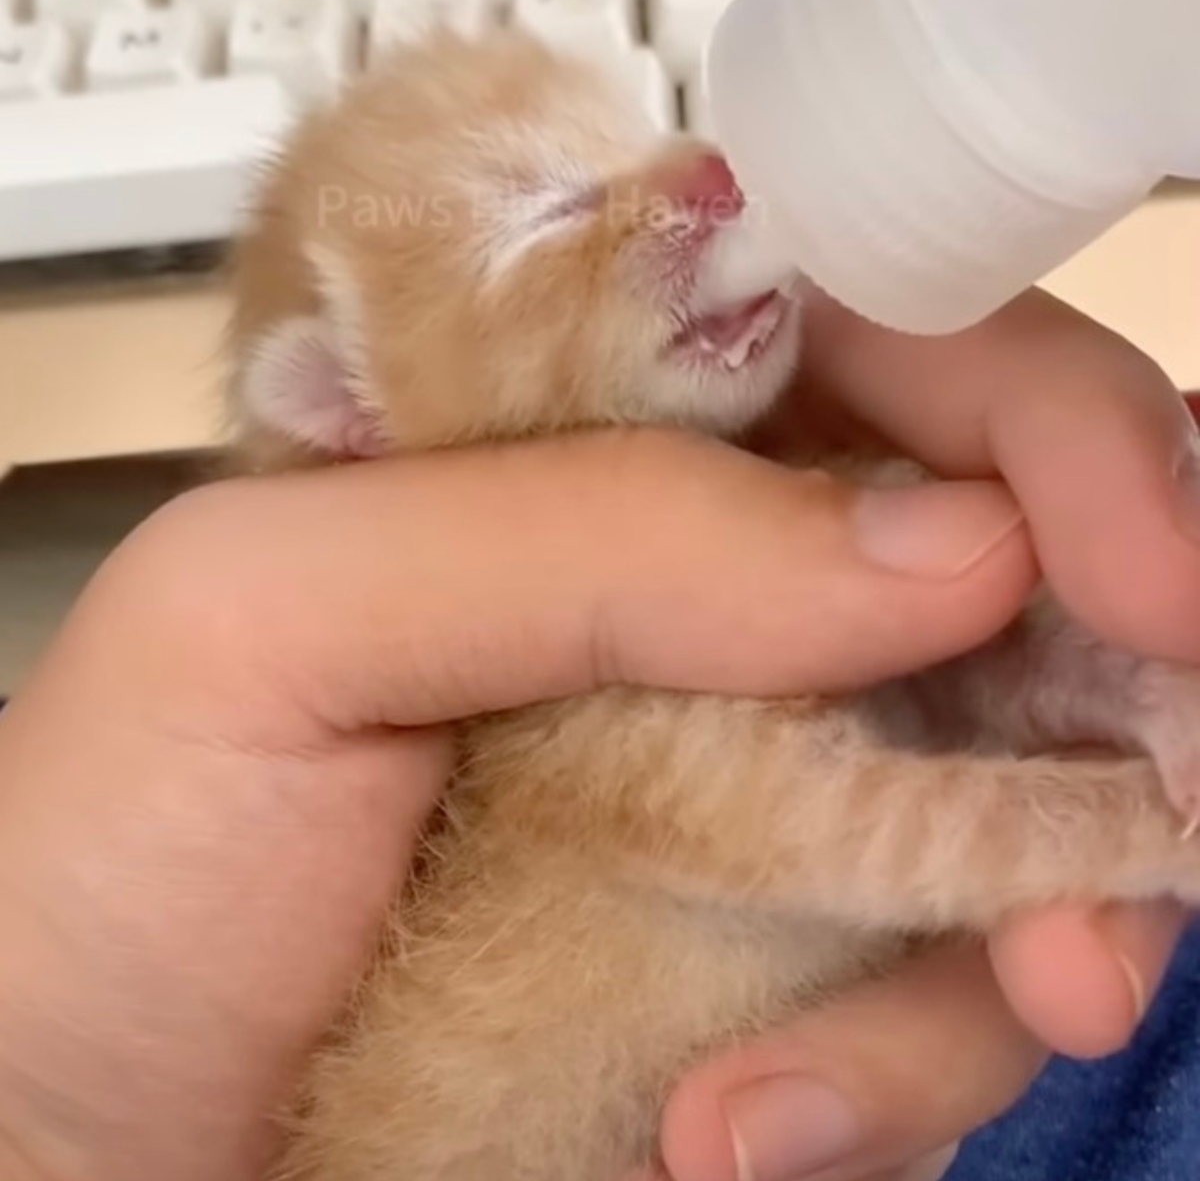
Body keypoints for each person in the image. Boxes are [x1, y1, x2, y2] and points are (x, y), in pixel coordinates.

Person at [0, 286, 1198, 1181]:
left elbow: (946, 700)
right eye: (542, 223)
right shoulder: (560, 701)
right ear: (357, 421)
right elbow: (861, 824)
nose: (698, 172)